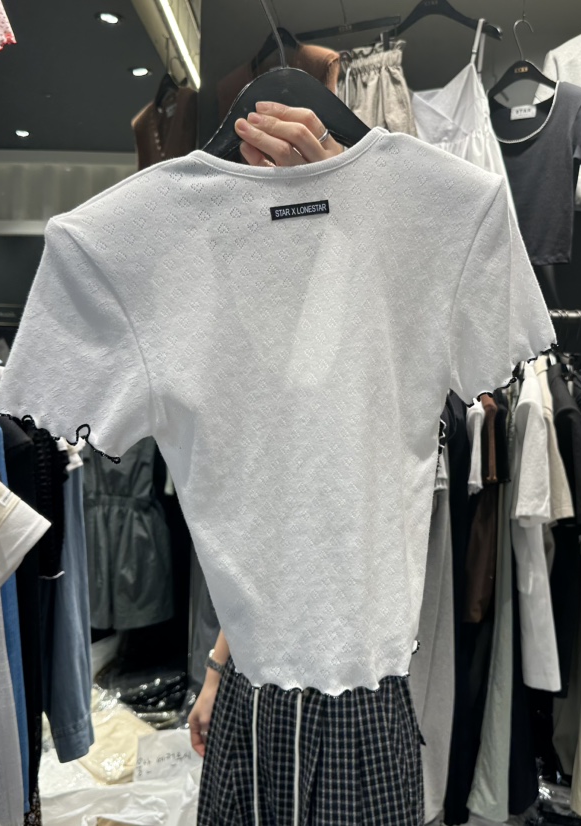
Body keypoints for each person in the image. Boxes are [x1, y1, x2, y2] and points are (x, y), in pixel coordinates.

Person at [187, 102, 344, 758]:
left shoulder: (372, 330)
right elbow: (271, 540)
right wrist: (217, 670)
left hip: (355, 682)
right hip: (263, 672)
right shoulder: (255, 364)